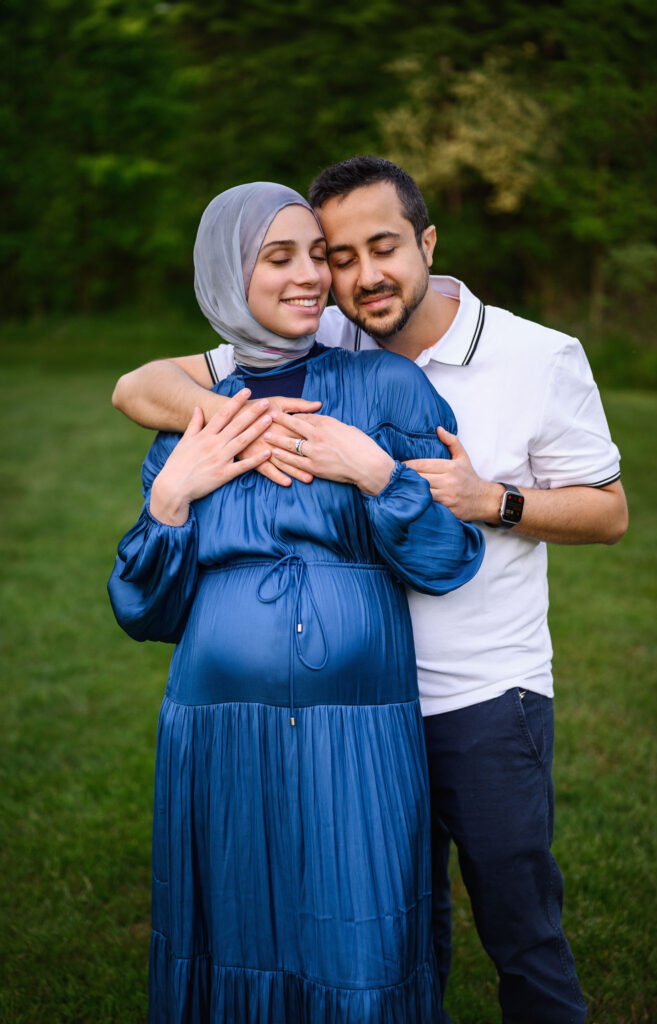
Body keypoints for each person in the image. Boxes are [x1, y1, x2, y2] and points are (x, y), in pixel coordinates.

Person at [112, 158, 628, 1024]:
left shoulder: (517, 359)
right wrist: (203, 451)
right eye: (321, 255)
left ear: (427, 242)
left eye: (365, 250)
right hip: (274, 716)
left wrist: (469, 494)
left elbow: (598, 516)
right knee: (348, 920)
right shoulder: (292, 357)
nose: (339, 276)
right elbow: (140, 386)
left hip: (471, 689)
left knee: (510, 920)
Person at [108, 181, 484, 1023]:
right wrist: (171, 501)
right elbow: (144, 614)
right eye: (281, 258)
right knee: (235, 933)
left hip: (358, 727)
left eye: (318, 255)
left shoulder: (386, 387)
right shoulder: (189, 421)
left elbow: (449, 560)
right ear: (224, 276)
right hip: (215, 728)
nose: (312, 276)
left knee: (360, 936)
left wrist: (377, 473)